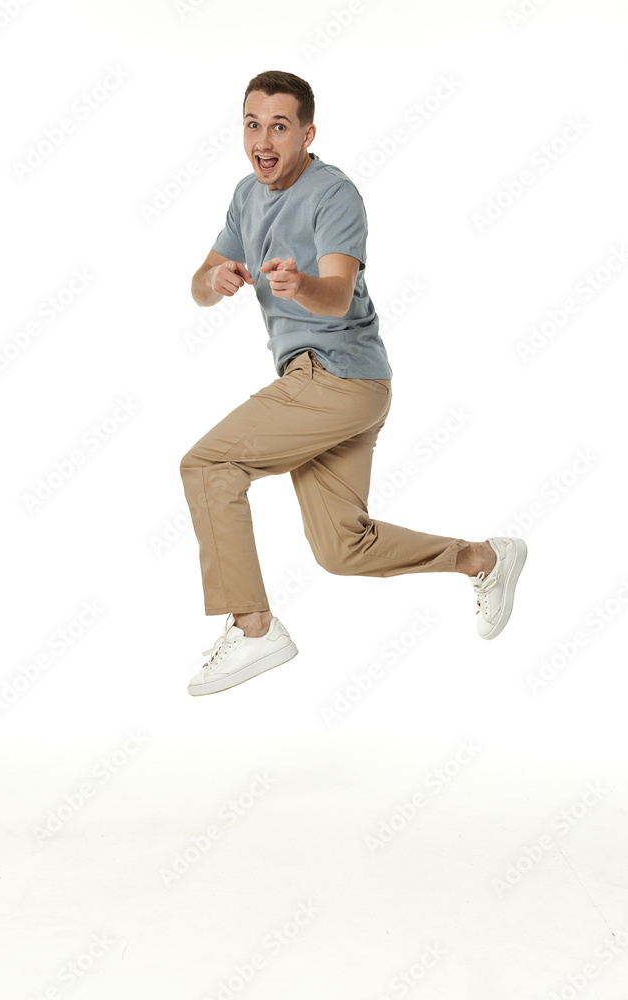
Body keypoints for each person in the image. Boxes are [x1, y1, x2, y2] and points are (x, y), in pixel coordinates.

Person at [180, 70, 527, 697]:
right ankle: (483, 558)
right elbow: (199, 283)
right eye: (252, 124)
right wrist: (218, 280)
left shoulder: (333, 194)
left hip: (335, 377)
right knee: (342, 548)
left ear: (307, 133)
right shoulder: (244, 195)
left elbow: (337, 294)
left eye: (279, 126)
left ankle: (253, 627)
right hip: (339, 387)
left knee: (209, 465)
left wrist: (298, 285)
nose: (263, 139)